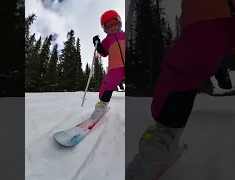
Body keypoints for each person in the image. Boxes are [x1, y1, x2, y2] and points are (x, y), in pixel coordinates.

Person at [126, 0, 235, 179]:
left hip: (209, 19)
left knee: (181, 70)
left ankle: (161, 142)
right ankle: (162, 143)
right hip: (209, 20)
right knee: (185, 66)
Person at [90, 10, 125, 119]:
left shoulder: (125, 34)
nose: (112, 27)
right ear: (105, 28)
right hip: (115, 67)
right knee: (108, 83)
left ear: (119, 22)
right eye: (109, 25)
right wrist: (97, 44)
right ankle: (103, 104)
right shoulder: (107, 40)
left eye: (114, 23)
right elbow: (103, 52)